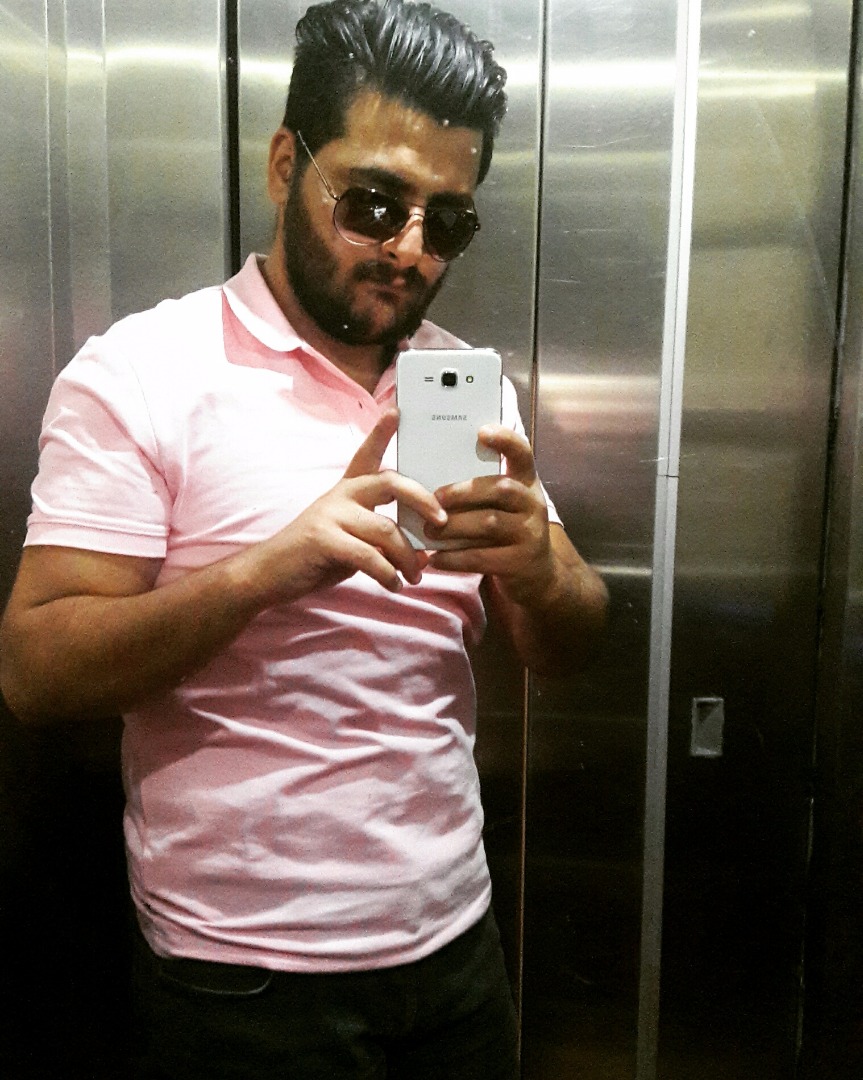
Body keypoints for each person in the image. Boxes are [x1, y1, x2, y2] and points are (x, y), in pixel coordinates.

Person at [0, 1, 607, 1077]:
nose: (408, 250)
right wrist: (265, 573)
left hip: (455, 944)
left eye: (446, 222)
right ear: (287, 165)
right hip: (241, 976)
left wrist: (538, 570)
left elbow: (564, 646)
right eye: (372, 204)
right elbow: (35, 672)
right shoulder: (144, 373)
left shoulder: (463, 388)